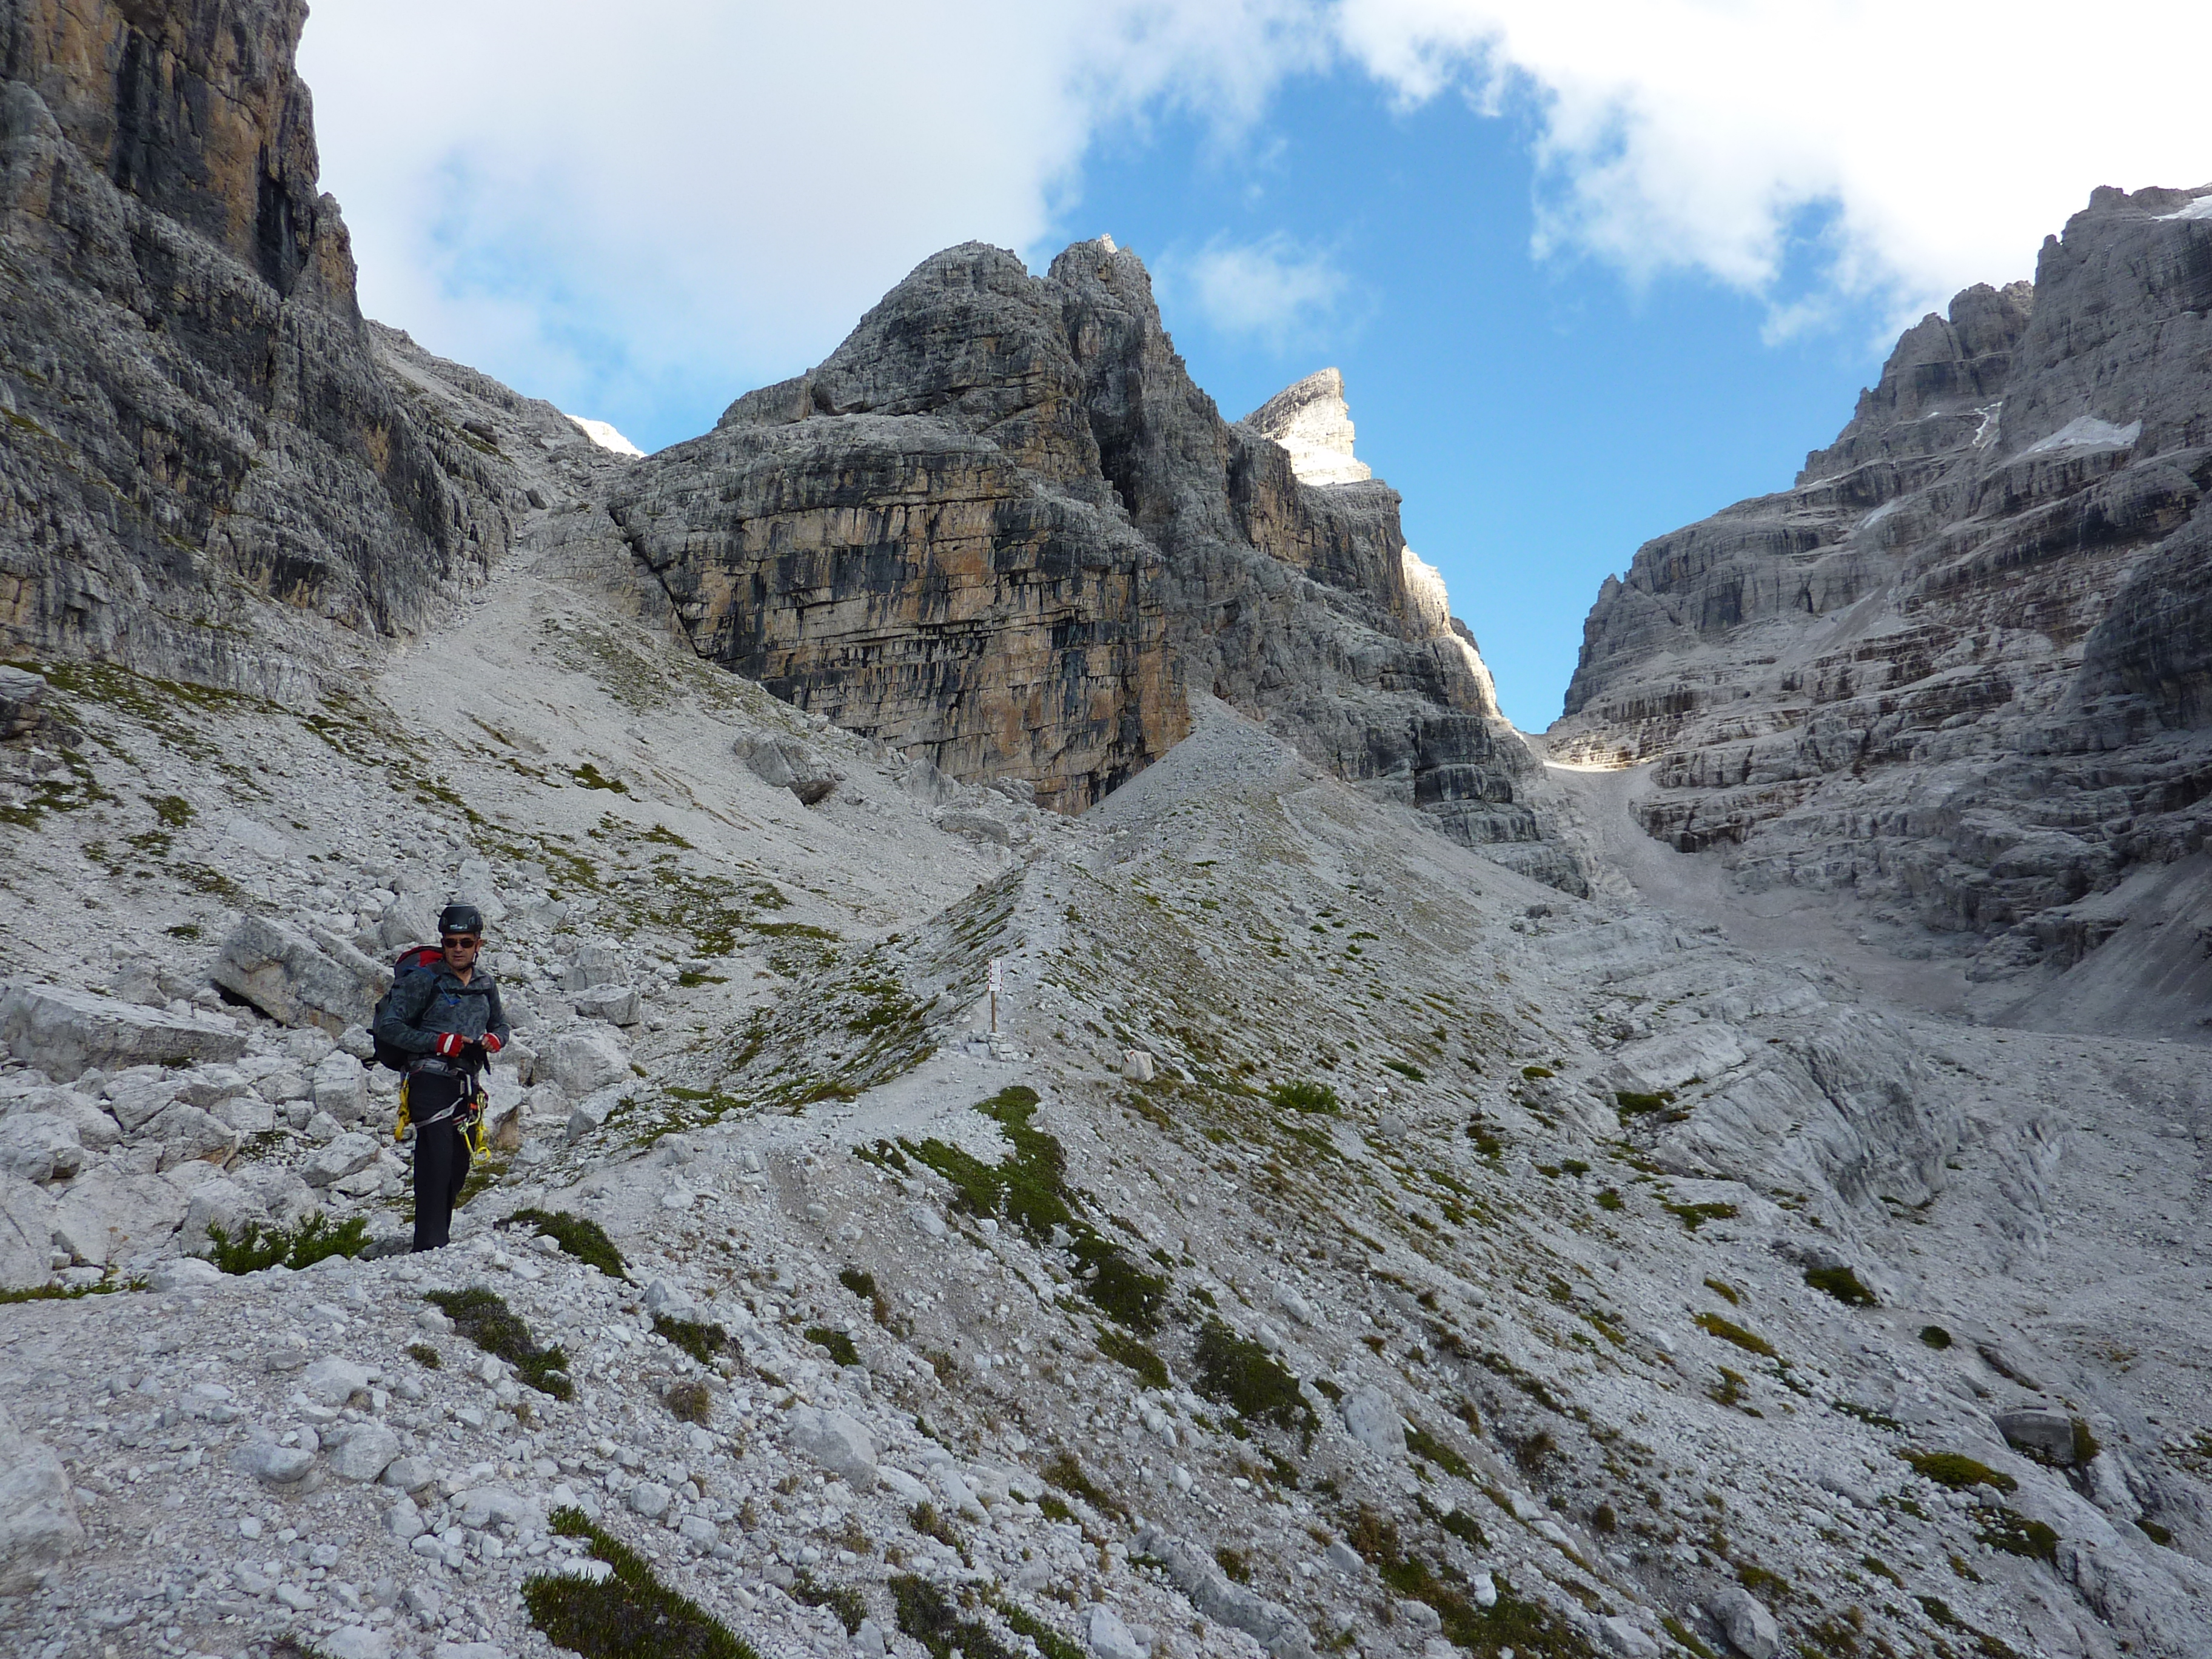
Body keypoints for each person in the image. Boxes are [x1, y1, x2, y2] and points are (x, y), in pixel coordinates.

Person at [373, 902, 510, 1252]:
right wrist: (439, 1042)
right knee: (436, 1159)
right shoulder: (424, 980)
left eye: (466, 942)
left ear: (479, 944)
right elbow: (388, 1027)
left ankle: (438, 1242)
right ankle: (428, 1246)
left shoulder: (485, 983)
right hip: (429, 1078)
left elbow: (501, 1024)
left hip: (467, 1085)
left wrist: (495, 1039)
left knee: (458, 1165)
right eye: (451, 942)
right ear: (443, 943)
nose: (458, 949)